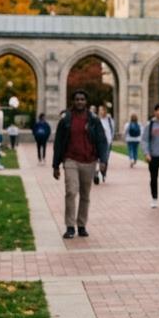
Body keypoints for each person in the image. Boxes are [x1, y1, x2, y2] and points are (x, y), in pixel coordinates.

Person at [52, 90, 110, 239]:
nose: (79, 102)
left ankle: (82, 225)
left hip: (89, 161)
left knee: (85, 194)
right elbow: (58, 143)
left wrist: (103, 160)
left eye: (82, 99)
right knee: (71, 191)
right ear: (73, 101)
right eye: (77, 99)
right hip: (71, 159)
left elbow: (102, 141)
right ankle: (70, 226)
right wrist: (55, 165)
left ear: (86, 102)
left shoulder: (93, 120)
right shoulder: (65, 120)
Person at [96, 104, 115, 184]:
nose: (102, 112)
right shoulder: (96, 120)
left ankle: (103, 173)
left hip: (107, 143)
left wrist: (111, 140)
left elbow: (112, 130)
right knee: (96, 159)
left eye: (103, 110)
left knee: (105, 160)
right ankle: (96, 173)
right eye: (100, 110)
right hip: (98, 143)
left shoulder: (110, 120)